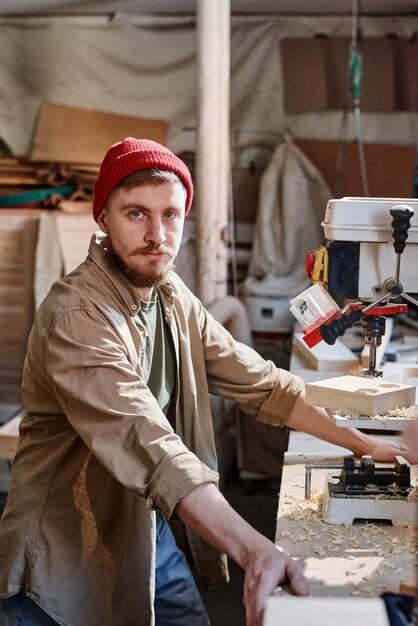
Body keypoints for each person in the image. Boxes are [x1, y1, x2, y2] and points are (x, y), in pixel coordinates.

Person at [0, 138, 415, 626]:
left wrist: (366, 444)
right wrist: (256, 551)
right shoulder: (77, 317)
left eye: (171, 215)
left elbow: (262, 384)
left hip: (147, 528)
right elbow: (151, 445)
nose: (158, 234)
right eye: (136, 214)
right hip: (65, 548)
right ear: (103, 219)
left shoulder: (170, 294)